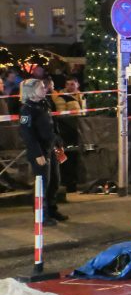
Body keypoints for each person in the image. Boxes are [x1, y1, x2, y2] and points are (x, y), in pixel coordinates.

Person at [18, 78, 67, 224]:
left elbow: (52, 124)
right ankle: (41, 215)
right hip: (40, 151)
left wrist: (58, 141)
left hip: (50, 147)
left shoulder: (44, 104)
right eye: (41, 88)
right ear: (31, 92)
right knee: (42, 184)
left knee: (54, 181)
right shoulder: (27, 109)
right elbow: (27, 134)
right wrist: (37, 153)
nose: (45, 90)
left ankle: (52, 209)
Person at [52, 76, 83, 193]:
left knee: (75, 158)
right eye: (68, 84)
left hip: (79, 129)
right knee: (68, 159)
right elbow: (62, 116)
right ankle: (69, 183)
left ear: (77, 85)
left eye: (72, 84)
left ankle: (73, 182)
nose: (70, 86)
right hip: (68, 131)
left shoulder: (82, 95)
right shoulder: (62, 98)